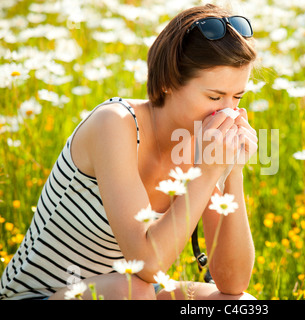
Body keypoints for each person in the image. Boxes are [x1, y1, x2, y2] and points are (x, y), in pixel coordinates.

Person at [0, 4, 258, 300]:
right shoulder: (115, 123)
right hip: (38, 296)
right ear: (169, 82)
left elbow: (233, 281)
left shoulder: (204, 144)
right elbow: (147, 266)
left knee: (239, 304)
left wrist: (231, 170)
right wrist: (208, 171)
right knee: (132, 291)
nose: (227, 112)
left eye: (237, 97)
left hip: (135, 293)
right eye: (214, 96)